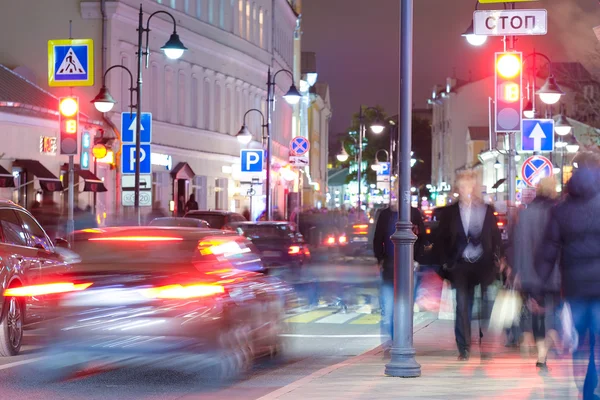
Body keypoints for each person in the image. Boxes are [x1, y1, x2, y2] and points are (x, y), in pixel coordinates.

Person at [537, 151, 600, 399]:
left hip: (574, 287)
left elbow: (548, 250)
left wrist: (539, 287)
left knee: (582, 344)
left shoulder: (561, 210)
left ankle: (586, 390)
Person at [435, 170, 503, 361]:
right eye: (462, 186)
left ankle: (485, 346)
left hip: (483, 263)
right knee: (463, 305)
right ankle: (464, 347)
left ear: (475, 188)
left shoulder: (486, 210)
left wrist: (499, 258)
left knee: (485, 307)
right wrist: (446, 263)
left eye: (470, 186)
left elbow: (495, 237)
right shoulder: (450, 212)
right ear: (458, 188)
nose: (466, 190)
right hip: (460, 264)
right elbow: (441, 239)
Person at [512, 176, 560, 370]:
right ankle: (553, 335)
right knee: (554, 309)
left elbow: (520, 246)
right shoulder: (559, 213)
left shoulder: (526, 214)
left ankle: (542, 353)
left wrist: (519, 272)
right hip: (556, 271)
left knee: (536, 312)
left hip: (531, 272)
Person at [373, 201, 424, 346]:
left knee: (405, 310)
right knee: (389, 310)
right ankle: (393, 341)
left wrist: (416, 260)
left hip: (409, 267)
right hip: (389, 267)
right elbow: (378, 239)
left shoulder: (413, 214)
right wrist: (380, 259)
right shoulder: (386, 215)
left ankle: (402, 342)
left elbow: (422, 238)